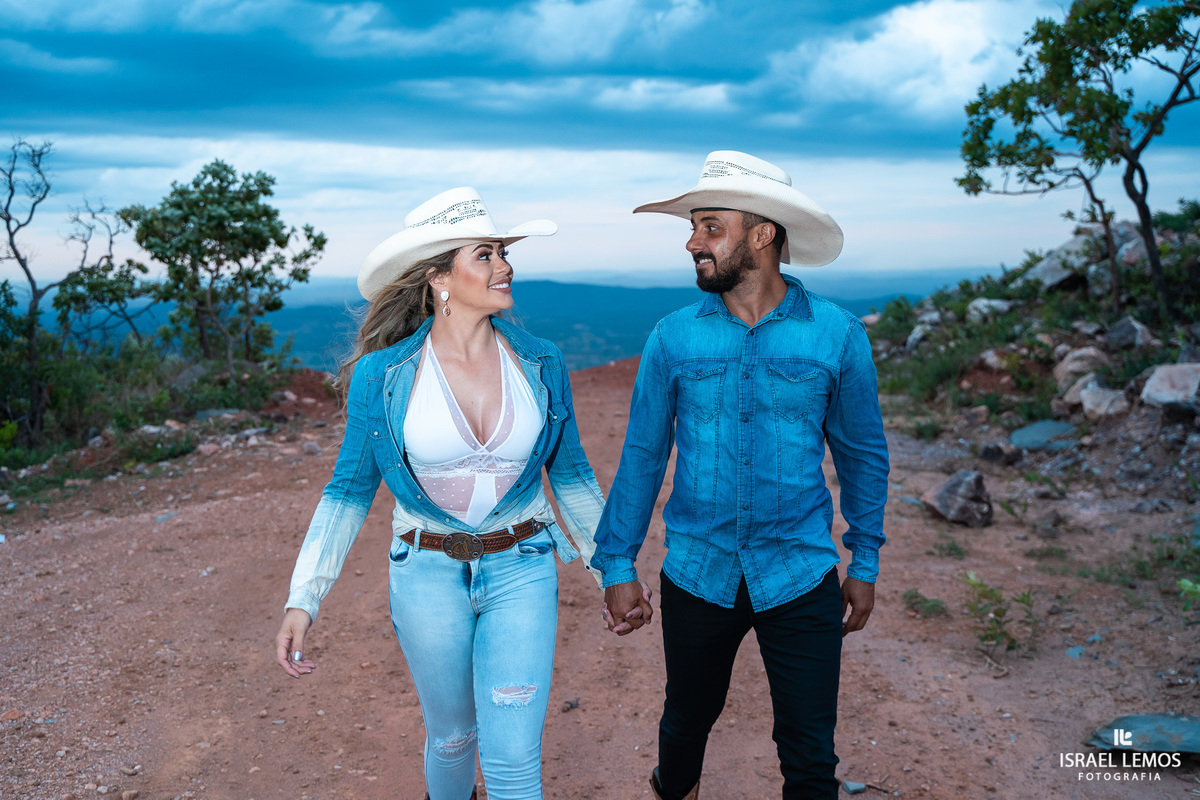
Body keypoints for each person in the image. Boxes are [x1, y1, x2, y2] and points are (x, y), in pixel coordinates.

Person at [274, 187, 620, 800]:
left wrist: (611, 571)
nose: (505, 266)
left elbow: (571, 477)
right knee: (453, 739)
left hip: (524, 565)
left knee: (514, 759)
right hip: (425, 571)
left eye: (504, 254)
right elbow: (348, 490)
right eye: (484, 254)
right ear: (439, 278)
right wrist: (305, 596)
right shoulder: (384, 375)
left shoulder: (540, 361)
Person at [591, 151, 890, 800]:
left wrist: (863, 560)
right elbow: (644, 455)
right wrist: (616, 565)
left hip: (801, 572)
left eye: (711, 226)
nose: (694, 241)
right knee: (685, 729)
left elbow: (863, 454)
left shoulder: (835, 336)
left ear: (763, 234)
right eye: (694, 227)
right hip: (699, 571)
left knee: (811, 756)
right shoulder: (673, 337)